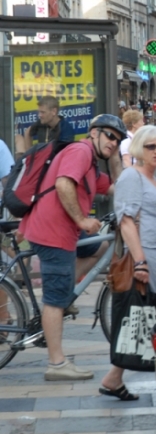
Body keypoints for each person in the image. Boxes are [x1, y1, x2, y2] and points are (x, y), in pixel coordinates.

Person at [19, 114, 123, 380]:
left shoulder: (90, 161)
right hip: (53, 233)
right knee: (54, 300)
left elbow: (117, 187)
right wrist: (81, 219)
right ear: (94, 133)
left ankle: (66, 290)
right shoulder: (80, 151)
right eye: (109, 136)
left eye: (118, 140)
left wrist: (114, 160)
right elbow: (64, 184)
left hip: (63, 233)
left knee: (99, 248)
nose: (113, 142)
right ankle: (57, 364)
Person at [99, 125, 156, 403]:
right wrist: (140, 262)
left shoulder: (154, 179)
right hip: (149, 253)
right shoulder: (131, 177)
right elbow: (126, 221)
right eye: (151, 147)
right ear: (138, 149)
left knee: (150, 319)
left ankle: (113, 379)